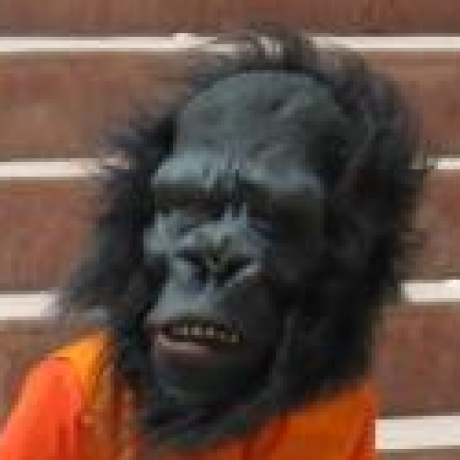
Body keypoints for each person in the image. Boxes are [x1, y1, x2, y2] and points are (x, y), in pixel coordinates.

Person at [0, 29, 425, 459]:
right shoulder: (77, 401)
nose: (215, 254)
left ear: (345, 261)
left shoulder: (335, 410)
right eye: (186, 208)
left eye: (270, 220)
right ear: (138, 228)